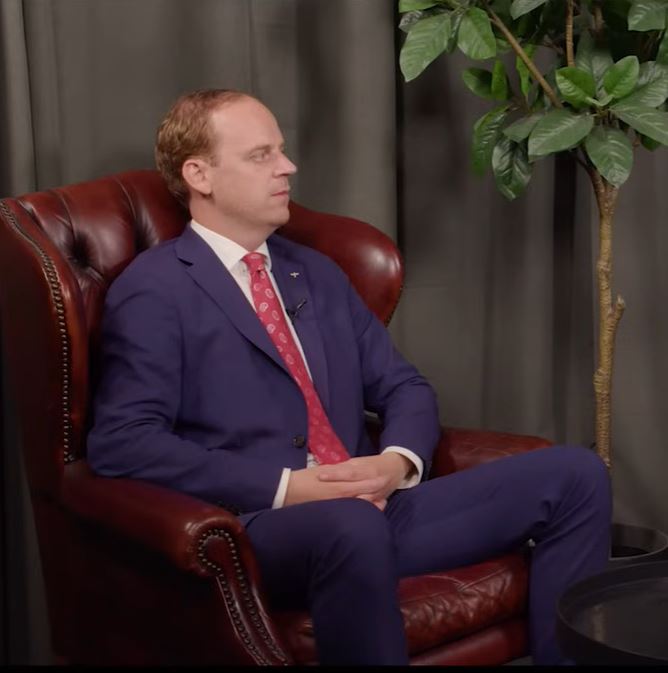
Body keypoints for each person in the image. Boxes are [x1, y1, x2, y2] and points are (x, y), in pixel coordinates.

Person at [87, 88, 612, 665]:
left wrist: (395, 464)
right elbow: (124, 442)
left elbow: (404, 387)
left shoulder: (313, 272)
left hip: (374, 508)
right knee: (349, 526)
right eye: (262, 155)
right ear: (199, 175)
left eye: (281, 150)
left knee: (577, 474)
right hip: (260, 527)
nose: (287, 167)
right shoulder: (155, 290)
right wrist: (290, 486)